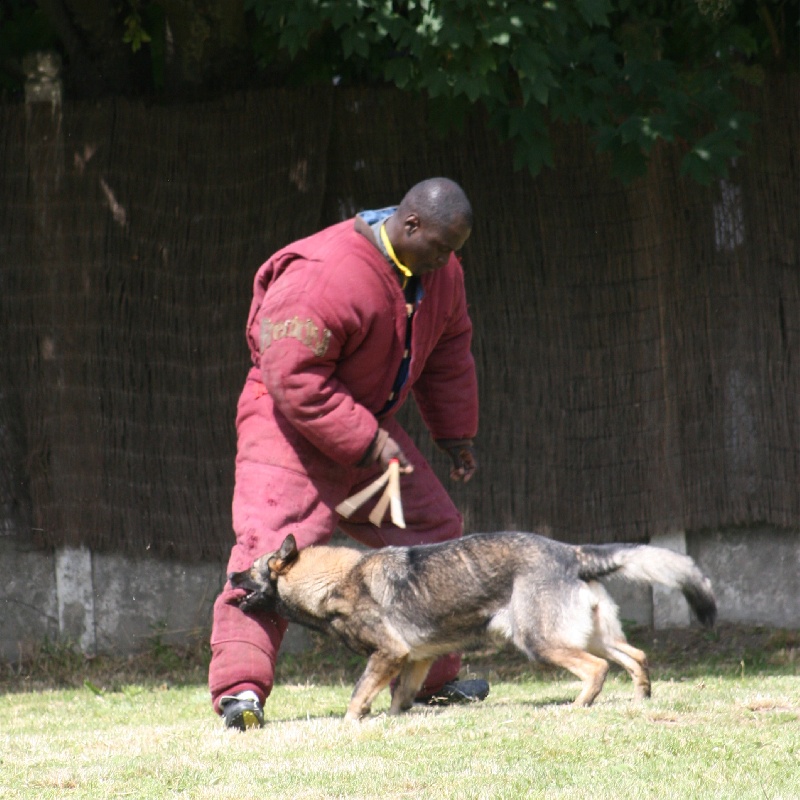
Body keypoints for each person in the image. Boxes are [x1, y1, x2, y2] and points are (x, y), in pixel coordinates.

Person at [209, 177, 487, 730]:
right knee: (266, 553)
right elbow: (291, 376)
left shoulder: (439, 271)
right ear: (410, 225)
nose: (448, 261)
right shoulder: (325, 272)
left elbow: (450, 351)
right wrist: (365, 440)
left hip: (365, 427)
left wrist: (456, 433)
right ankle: (240, 695)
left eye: (455, 250)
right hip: (285, 424)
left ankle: (430, 681)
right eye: (440, 247)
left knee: (433, 531)